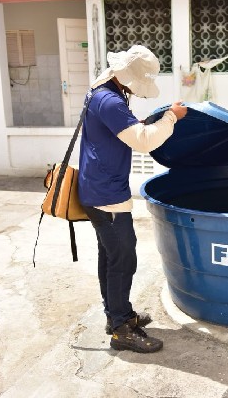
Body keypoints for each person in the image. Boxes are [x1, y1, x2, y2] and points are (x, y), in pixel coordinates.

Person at [78, 45, 187, 353]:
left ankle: (116, 316)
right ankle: (122, 330)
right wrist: (171, 117)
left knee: (110, 256)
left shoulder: (101, 90)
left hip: (98, 187)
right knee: (123, 259)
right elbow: (143, 140)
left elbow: (123, 129)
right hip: (106, 194)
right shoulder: (111, 101)